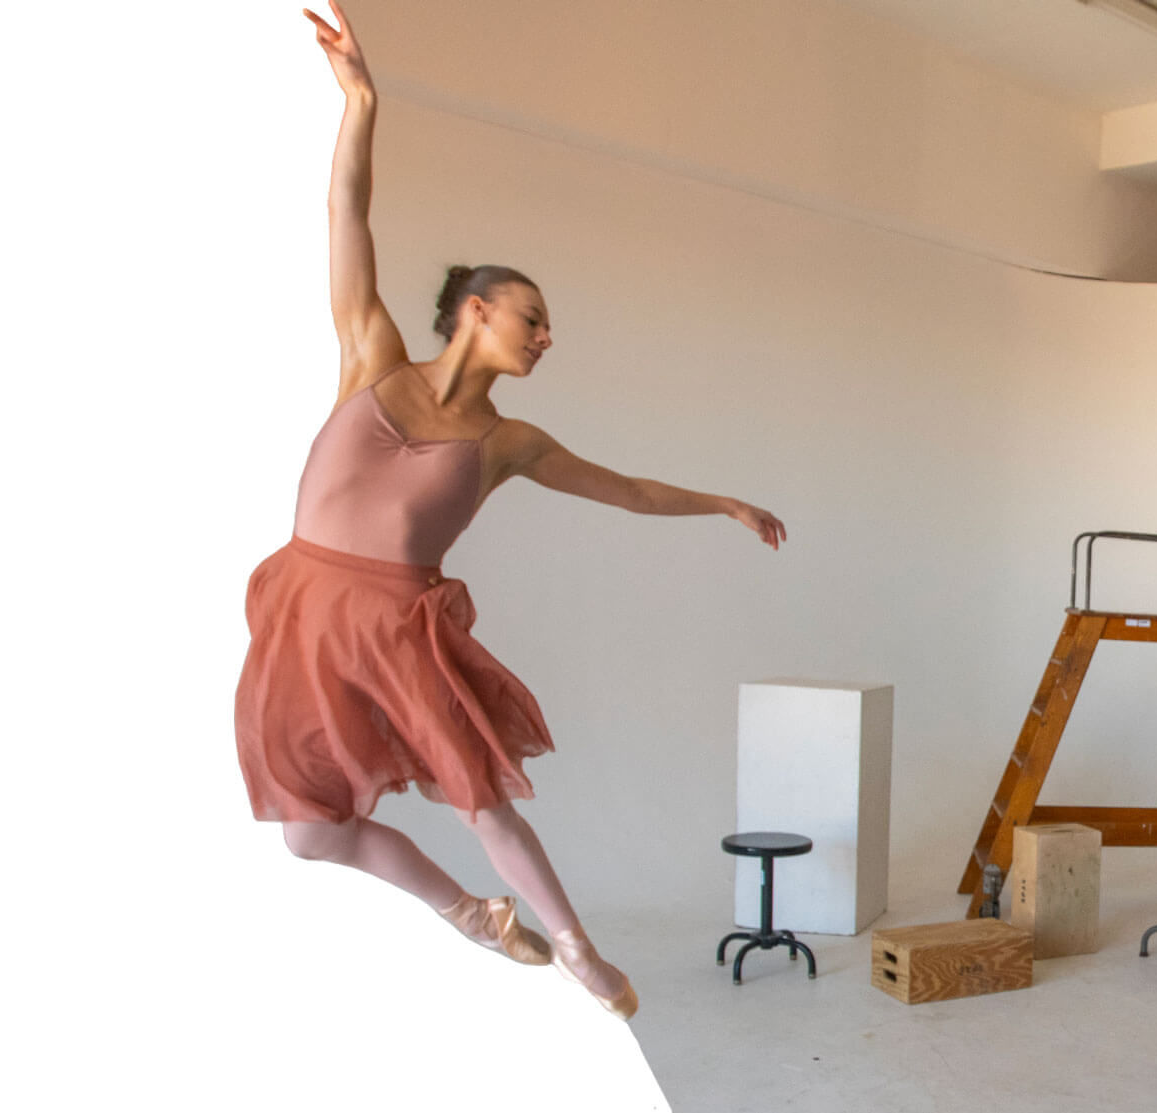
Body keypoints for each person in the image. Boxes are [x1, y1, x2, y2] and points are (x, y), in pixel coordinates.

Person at [234, 2, 788, 1020]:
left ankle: (576, 944)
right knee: (309, 833)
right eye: (533, 319)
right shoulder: (368, 357)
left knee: (479, 797)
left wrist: (719, 503)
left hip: (397, 628)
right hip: (304, 614)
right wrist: (359, 102)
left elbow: (626, 491)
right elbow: (344, 218)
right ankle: (469, 915)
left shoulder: (507, 445)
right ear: (476, 311)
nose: (545, 338)